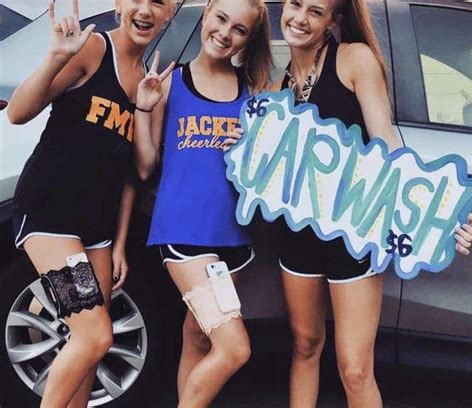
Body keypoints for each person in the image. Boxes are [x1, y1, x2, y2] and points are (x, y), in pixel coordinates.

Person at [226, 0, 472, 407]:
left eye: (315, 11)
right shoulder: (277, 90)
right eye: (294, 5)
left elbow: (388, 148)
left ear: (333, 21)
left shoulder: (354, 60)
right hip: (298, 239)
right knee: (305, 346)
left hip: (355, 237)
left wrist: (442, 216)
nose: (299, 18)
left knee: (355, 369)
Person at [6, 0, 175, 406]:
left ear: (170, 14)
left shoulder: (147, 81)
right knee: (95, 334)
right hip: (51, 220)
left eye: (160, 2)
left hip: (96, 232)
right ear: (119, 4)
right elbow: (16, 112)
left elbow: (138, 172)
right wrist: (55, 58)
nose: (147, 9)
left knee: (89, 348)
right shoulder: (94, 50)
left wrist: (117, 244)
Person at [133, 0, 273, 406]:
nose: (225, 33)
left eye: (239, 29)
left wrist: (254, 150)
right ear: (207, 14)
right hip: (185, 235)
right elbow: (145, 167)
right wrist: (144, 107)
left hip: (235, 240)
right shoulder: (170, 82)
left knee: (197, 336)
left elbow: (264, 175)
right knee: (234, 348)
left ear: (248, 39)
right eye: (221, 19)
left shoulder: (254, 92)